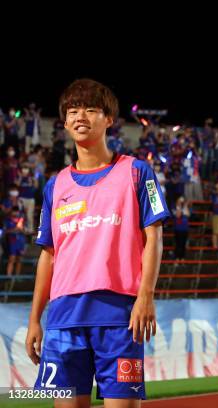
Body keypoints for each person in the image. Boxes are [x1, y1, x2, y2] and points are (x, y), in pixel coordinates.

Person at [25, 79, 170, 406]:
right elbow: (48, 255)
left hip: (119, 318)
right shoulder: (55, 186)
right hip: (63, 319)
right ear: (63, 122)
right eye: (73, 110)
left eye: (91, 109)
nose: (81, 116)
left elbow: (154, 237)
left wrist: (146, 295)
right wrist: (35, 319)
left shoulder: (137, 172)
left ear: (109, 119)